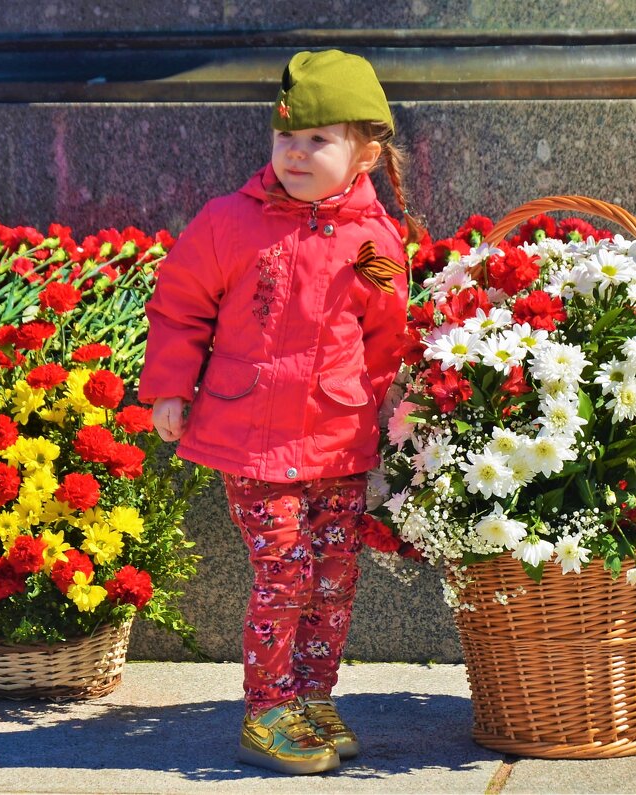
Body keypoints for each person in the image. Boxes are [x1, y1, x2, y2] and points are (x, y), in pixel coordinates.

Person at [139, 49, 421, 775]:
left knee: (334, 574)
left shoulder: (375, 242)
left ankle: (312, 696)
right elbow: (179, 305)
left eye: (318, 141)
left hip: (339, 442)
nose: (296, 154)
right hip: (254, 443)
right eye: (286, 138)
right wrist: (170, 386)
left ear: (366, 152)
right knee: (286, 573)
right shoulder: (229, 224)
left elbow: (388, 328)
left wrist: (387, 410)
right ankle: (268, 707)